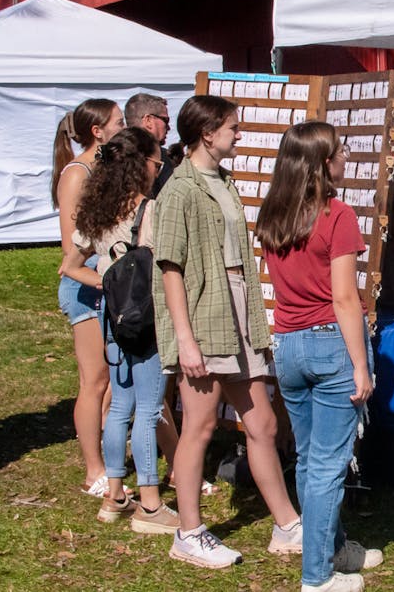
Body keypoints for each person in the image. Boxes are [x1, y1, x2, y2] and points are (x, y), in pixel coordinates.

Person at [153, 95, 300, 568]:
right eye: (233, 128)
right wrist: (185, 337)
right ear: (207, 133)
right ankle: (189, 531)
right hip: (202, 314)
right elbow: (169, 268)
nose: (240, 135)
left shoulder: (225, 181)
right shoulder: (178, 189)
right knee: (199, 425)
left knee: (263, 423)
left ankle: (286, 524)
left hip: (237, 309)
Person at [257, 122, 382, 592]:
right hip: (331, 343)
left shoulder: (274, 216)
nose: (346, 156)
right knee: (327, 466)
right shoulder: (337, 216)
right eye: (338, 151)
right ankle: (317, 577)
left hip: (288, 344)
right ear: (320, 163)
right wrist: (360, 364)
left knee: (311, 461)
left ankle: (332, 547)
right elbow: (345, 299)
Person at [61, 127, 181, 533]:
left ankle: (114, 493)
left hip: (112, 318)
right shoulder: (151, 210)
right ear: (141, 165)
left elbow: (70, 265)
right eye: (156, 163)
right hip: (146, 320)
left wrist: (108, 281)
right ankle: (150, 505)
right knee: (148, 409)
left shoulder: (98, 211)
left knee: (120, 406)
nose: (158, 169)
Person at [124, 93, 218, 495]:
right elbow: (168, 262)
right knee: (146, 400)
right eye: (163, 118)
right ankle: (152, 493)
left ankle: (130, 477)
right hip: (144, 301)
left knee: (130, 397)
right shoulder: (163, 194)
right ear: (148, 122)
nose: (167, 125)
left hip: (131, 303)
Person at [51, 98, 124, 496]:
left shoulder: (106, 170)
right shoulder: (76, 173)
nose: (124, 125)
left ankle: (110, 461)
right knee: (93, 380)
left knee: (112, 381)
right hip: (85, 284)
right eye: (119, 121)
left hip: (108, 279)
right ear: (98, 131)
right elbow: (70, 243)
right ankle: (93, 469)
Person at [124, 93, 175, 197]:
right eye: (165, 120)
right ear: (148, 120)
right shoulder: (119, 157)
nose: (168, 127)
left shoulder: (167, 157)